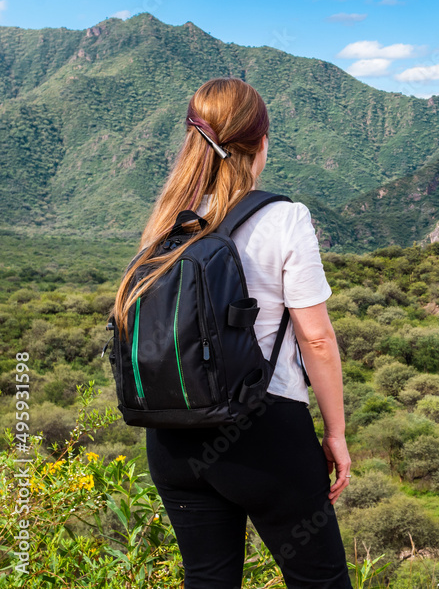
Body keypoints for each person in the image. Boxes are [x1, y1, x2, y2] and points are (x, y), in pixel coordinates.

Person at [111, 77, 353, 588]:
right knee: (320, 581)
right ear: (261, 142)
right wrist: (335, 433)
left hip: (172, 437)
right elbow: (317, 340)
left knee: (208, 580)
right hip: (264, 432)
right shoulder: (286, 217)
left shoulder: (170, 220)